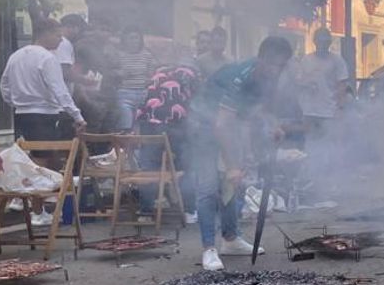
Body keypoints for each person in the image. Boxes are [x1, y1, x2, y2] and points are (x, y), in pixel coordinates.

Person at [189, 36, 294, 272]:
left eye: (282, 65)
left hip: (230, 125)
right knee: (208, 187)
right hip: (203, 125)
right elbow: (220, 125)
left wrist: (273, 124)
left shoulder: (269, 77)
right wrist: (231, 165)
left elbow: (262, 105)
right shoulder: (239, 78)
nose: (277, 70)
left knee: (234, 184)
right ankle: (209, 249)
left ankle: (231, 239)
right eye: (273, 64)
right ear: (261, 59)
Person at [0, 19, 88, 227]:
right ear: (45, 33)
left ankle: (22, 198)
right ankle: (37, 211)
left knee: (26, 158)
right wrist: (77, 116)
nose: (60, 40)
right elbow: (60, 90)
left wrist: (15, 102)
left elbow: (4, 85)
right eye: (57, 35)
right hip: (44, 115)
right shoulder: (47, 58)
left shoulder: (15, 56)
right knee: (41, 162)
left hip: (21, 114)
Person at [135, 62, 200, 224]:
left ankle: (145, 212)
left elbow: (140, 107)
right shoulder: (190, 75)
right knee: (186, 165)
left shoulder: (154, 79)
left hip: (149, 124)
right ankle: (189, 211)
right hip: (176, 124)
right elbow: (196, 104)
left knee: (149, 167)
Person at [294, 27, 350, 138]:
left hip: (329, 112)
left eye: (325, 41)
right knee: (310, 143)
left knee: (329, 143)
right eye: (320, 41)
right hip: (309, 112)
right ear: (315, 42)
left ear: (329, 42)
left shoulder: (337, 60)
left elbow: (342, 86)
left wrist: (340, 109)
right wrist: (306, 84)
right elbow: (298, 82)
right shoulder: (306, 60)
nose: (323, 44)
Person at [113, 27, 158, 132]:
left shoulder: (147, 56)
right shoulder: (118, 55)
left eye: (136, 38)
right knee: (126, 125)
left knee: (140, 126)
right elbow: (110, 72)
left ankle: (137, 148)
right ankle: (124, 147)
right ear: (124, 40)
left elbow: (154, 74)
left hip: (143, 94)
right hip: (124, 95)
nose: (134, 41)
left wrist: (150, 80)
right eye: (131, 38)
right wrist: (119, 73)